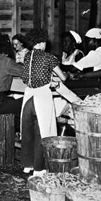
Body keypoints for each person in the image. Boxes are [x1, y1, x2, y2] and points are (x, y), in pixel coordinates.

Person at [20, 28, 68, 174]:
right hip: (41, 97)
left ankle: (27, 165)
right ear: (41, 42)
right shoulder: (49, 58)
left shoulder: (27, 56)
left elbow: (29, 75)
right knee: (43, 132)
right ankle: (39, 169)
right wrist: (65, 75)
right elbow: (63, 77)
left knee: (27, 132)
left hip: (28, 97)